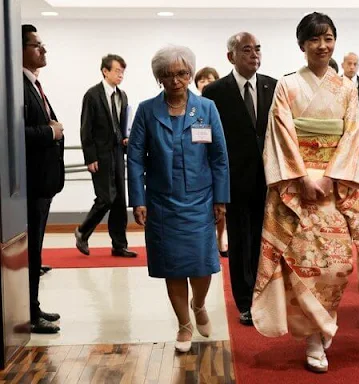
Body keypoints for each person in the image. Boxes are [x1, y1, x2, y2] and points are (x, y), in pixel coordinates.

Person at [251, 12, 359, 373]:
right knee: (302, 264)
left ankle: (322, 326)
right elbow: (279, 134)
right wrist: (302, 177)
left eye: (328, 38)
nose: (322, 46)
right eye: (314, 40)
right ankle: (315, 340)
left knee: (338, 265)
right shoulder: (287, 85)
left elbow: (353, 134)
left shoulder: (346, 88)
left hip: (334, 188)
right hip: (296, 189)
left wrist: (329, 176)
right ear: (302, 45)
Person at [127, 45, 230, 352]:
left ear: (190, 74)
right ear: (159, 77)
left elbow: (219, 156)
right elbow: (134, 158)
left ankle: (199, 305)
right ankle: (184, 325)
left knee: (200, 265)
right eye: (168, 75)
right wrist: (138, 199)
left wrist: (220, 199)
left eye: (182, 73)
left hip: (200, 200)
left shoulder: (207, 108)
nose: (176, 81)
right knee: (172, 265)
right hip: (162, 202)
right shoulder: (147, 110)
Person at [202, 32, 276, 326]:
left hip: (269, 178)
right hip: (233, 180)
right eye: (246, 50)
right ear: (230, 56)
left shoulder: (274, 86)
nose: (254, 55)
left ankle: (264, 295)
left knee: (265, 240)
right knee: (241, 243)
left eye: (257, 49)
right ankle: (244, 301)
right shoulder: (215, 92)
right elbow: (206, 140)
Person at [22, 24, 65, 334]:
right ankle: (29, 312)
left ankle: (33, 307)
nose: (43, 49)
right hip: (30, 183)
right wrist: (52, 131)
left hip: (43, 183)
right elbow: (16, 134)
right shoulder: (19, 88)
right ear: (20, 49)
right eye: (37, 45)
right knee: (31, 253)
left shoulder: (34, 85)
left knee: (36, 252)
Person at [75, 54, 137, 258]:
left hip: (118, 152)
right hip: (100, 155)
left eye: (123, 72)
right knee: (105, 198)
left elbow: (121, 124)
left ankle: (119, 245)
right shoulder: (92, 95)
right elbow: (86, 128)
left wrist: (125, 138)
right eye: (117, 71)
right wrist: (89, 157)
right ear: (105, 71)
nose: (121, 75)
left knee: (119, 200)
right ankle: (83, 231)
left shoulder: (123, 95)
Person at [195, 66, 228, 259]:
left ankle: (221, 237)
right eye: (202, 80)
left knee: (221, 203)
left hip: (218, 161)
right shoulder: (193, 106)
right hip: (199, 163)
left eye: (210, 79)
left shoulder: (222, 105)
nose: (206, 83)